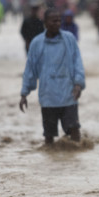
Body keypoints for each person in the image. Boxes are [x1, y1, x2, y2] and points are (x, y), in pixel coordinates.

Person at [19, 8, 86, 144]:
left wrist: (78, 84)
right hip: (47, 96)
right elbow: (30, 70)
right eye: (53, 20)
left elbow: (78, 63)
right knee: (48, 138)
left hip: (69, 95)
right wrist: (24, 94)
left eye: (59, 20)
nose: (57, 23)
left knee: (75, 133)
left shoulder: (69, 39)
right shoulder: (37, 43)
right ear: (45, 22)